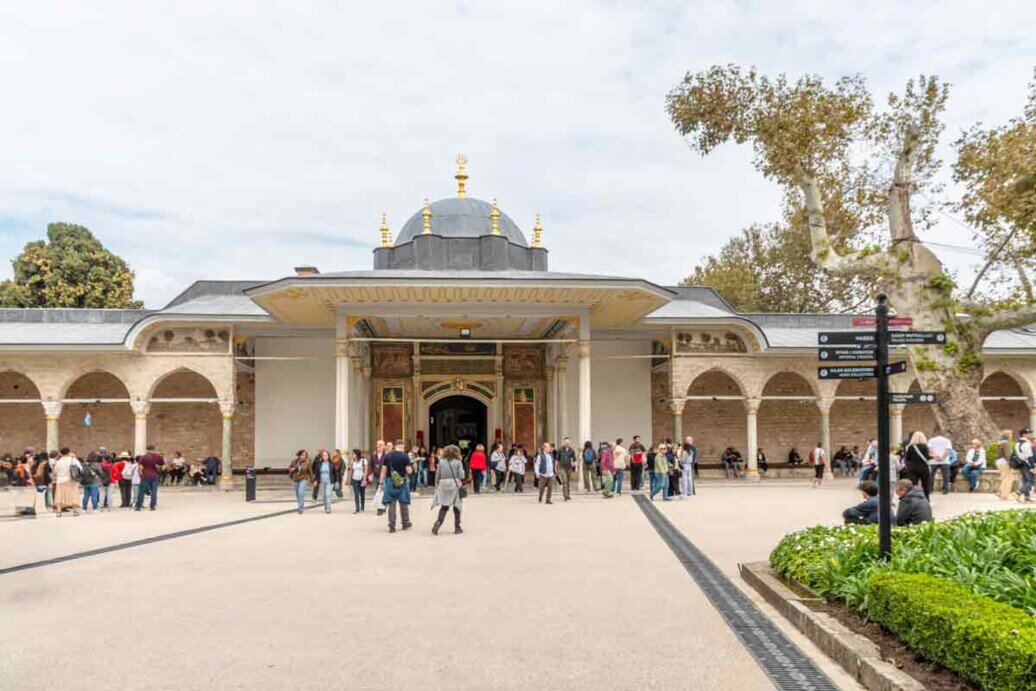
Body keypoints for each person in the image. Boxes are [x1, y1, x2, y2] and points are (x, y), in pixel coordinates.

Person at [432, 444, 466, 535]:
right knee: (457, 506)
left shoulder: (441, 461)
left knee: (444, 506)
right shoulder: (458, 462)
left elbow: (437, 475)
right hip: (455, 484)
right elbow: (462, 475)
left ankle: (438, 522)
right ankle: (457, 527)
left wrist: (436, 485)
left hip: (443, 484)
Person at [380, 439, 413, 533]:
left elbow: (383, 470)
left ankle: (392, 525)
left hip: (390, 482)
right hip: (402, 482)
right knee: (403, 503)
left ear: (395, 446)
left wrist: (381, 483)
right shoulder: (405, 456)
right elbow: (409, 471)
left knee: (391, 504)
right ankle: (405, 523)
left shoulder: (388, 456)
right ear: (403, 446)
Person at [901, 431, 933, 500]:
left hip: (913, 468)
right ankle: (927, 499)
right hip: (923, 467)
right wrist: (933, 456)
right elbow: (927, 457)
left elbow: (907, 458)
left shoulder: (911, 447)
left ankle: (912, 499)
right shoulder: (925, 447)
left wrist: (908, 465)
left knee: (913, 485)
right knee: (925, 485)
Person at [52, 447, 82, 516]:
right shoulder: (73, 460)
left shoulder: (58, 462)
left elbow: (55, 471)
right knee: (73, 495)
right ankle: (75, 511)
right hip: (71, 480)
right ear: (69, 452)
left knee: (60, 495)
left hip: (60, 480)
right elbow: (80, 468)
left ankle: (59, 511)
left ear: (60, 453)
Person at [134, 444, 165, 511]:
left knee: (141, 491)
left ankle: (138, 506)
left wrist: (141, 475)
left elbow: (140, 468)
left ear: (147, 449)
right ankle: (152, 506)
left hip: (145, 475)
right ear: (154, 449)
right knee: (154, 491)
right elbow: (163, 466)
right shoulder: (159, 457)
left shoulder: (143, 457)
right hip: (155, 475)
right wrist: (160, 471)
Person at [312, 448, 338, 513]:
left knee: (328, 494)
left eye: (326, 455)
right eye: (323, 455)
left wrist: (336, 481)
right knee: (324, 496)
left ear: (328, 456)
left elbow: (335, 473)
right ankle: (326, 507)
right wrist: (315, 481)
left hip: (330, 482)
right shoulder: (319, 464)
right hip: (322, 482)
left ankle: (328, 508)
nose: (324, 456)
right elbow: (317, 473)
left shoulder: (331, 464)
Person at [289, 450, 312, 514]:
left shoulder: (307, 462)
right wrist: (292, 469)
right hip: (296, 479)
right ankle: (300, 505)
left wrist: (312, 480)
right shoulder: (294, 461)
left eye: (305, 455)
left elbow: (310, 472)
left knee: (301, 492)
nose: (304, 456)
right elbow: (290, 468)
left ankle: (300, 508)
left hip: (303, 479)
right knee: (298, 494)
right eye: (302, 455)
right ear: (299, 455)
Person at [1015, 428, 1034, 502]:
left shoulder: (1017, 443)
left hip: (1021, 463)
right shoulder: (1026, 443)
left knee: (1025, 481)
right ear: (1023, 434)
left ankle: (1027, 497)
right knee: (1031, 481)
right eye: (1028, 433)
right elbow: (1029, 456)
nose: (1030, 434)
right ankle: (1018, 492)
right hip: (1027, 463)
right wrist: (1032, 466)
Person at [995, 430, 1015, 500]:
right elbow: (1008, 455)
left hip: (999, 462)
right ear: (1008, 436)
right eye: (1011, 434)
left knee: (1005, 478)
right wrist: (1011, 463)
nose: (1011, 436)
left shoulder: (1000, 443)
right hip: (1004, 462)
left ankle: (1000, 492)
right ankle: (1004, 495)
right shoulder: (1006, 443)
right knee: (1009, 478)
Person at [348, 449, 367, 513]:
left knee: (362, 494)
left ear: (357, 454)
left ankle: (362, 506)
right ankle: (357, 508)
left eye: (353, 454)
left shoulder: (363, 461)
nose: (352, 455)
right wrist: (349, 479)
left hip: (361, 479)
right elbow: (350, 471)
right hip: (354, 479)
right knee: (356, 494)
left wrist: (364, 479)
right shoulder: (352, 462)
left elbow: (366, 471)